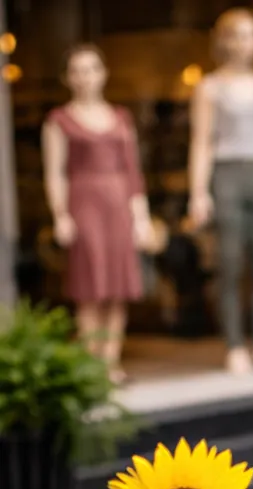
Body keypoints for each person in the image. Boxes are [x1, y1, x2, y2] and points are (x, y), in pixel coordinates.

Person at [188, 7, 253, 373]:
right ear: (225, 40)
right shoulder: (210, 87)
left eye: (252, 34)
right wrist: (198, 192)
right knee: (230, 263)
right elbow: (201, 141)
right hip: (226, 172)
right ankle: (234, 344)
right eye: (238, 34)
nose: (246, 43)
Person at [42, 44, 153, 385]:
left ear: (103, 73)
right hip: (84, 204)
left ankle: (111, 363)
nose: (85, 76)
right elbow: (55, 172)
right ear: (67, 78)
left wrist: (141, 215)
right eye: (77, 70)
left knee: (118, 287)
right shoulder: (58, 120)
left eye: (91, 68)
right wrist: (61, 214)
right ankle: (91, 366)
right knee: (90, 287)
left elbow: (133, 170)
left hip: (119, 204)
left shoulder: (121, 117)